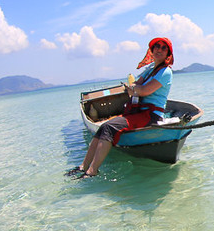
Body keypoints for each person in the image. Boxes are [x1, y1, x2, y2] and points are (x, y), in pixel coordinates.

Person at [69, 37, 175, 178]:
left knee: (108, 127)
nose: (159, 50)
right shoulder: (150, 70)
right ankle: (84, 166)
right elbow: (136, 84)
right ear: (152, 50)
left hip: (150, 116)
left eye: (163, 48)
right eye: (157, 46)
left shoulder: (165, 72)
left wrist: (135, 88)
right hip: (138, 113)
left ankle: (92, 171)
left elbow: (143, 90)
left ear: (168, 53)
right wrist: (135, 88)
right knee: (102, 127)